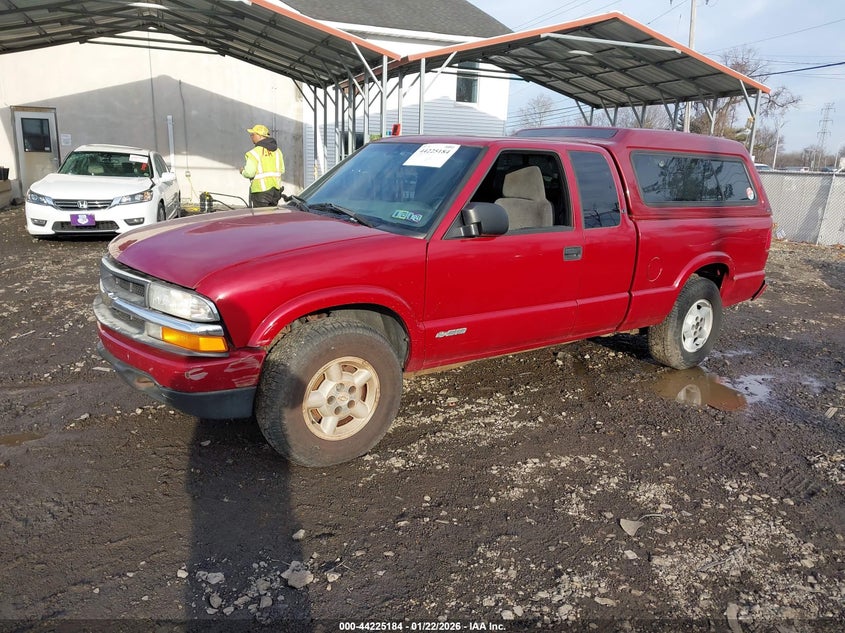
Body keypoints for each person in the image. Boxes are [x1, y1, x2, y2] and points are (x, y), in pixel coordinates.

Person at [240, 124, 285, 207]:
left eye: (253, 134)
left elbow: (249, 173)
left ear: (260, 136)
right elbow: (282, 170)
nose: (251, 137)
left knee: (260, 215)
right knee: (272, 215)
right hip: (275, 192)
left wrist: (242, 171)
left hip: (260, 192)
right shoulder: (278, 151)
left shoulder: (254, 153)